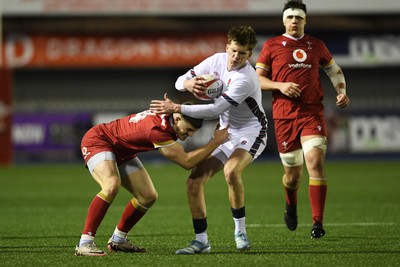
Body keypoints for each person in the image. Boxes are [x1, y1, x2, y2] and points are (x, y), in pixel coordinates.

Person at [150, 25, 268, 253]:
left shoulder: (246, 78)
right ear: (227, 47)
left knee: (231, 171)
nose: (236, 57)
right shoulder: (216, 60)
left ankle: (240, 231)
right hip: (226, 131)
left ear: (250, 54)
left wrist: (176, 106)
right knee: (193, 182)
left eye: (242, 53)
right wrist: (187, 84)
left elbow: (215, 109)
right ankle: (201, 241)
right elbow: (179, 80)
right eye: (234, 50)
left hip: (251, 131)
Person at [74, 108, 229, 256]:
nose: (188, 135)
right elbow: (187, 162)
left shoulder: (171, 115)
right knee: (111, 185)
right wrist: (215, 142)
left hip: (122, 149)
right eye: (188, 130)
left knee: (147, 196)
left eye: (192, 132)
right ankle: (85, 243)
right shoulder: (158, 131)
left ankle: (118, 239)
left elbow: (181, 108)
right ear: (176, 118)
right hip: (100, 140)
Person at [255, 0, 350, 239]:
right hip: (284, 116)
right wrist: (280, 85)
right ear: (284, 20)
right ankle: (291, 202)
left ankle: (317, 222)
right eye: (290, 17)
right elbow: (257, 80)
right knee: (292, 176)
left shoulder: (316, 45)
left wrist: (341, 91)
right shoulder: (272, 45)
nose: (294, 21)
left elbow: (334, 70)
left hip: (312, 113)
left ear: (305, 20)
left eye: (298, 17)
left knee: (315, 163)